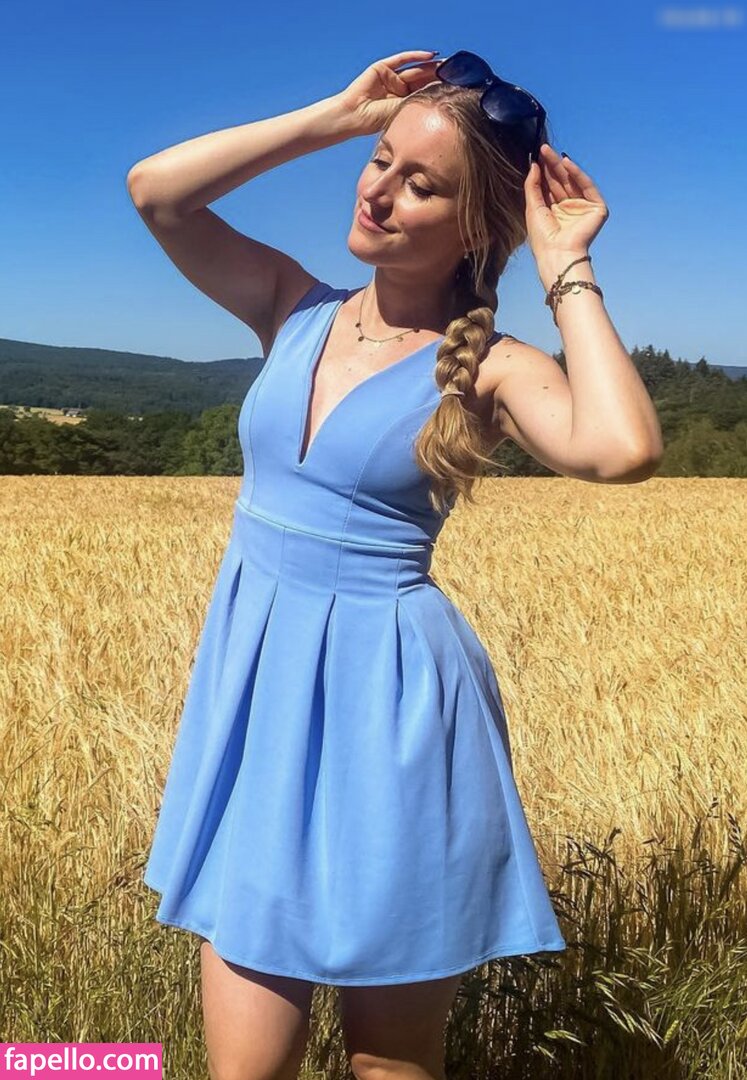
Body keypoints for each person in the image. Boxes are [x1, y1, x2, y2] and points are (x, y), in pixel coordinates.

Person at [127, 48, 663, 1080]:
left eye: (421, 185)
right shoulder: (293, 306)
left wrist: (563, 264)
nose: (378, 191)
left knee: (390, 1067)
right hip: (259, 708)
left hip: (395, 714)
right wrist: (335, 117)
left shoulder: (491, 367)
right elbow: (158, 192)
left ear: (475, 230)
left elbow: (622, 448)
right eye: (379, 162)